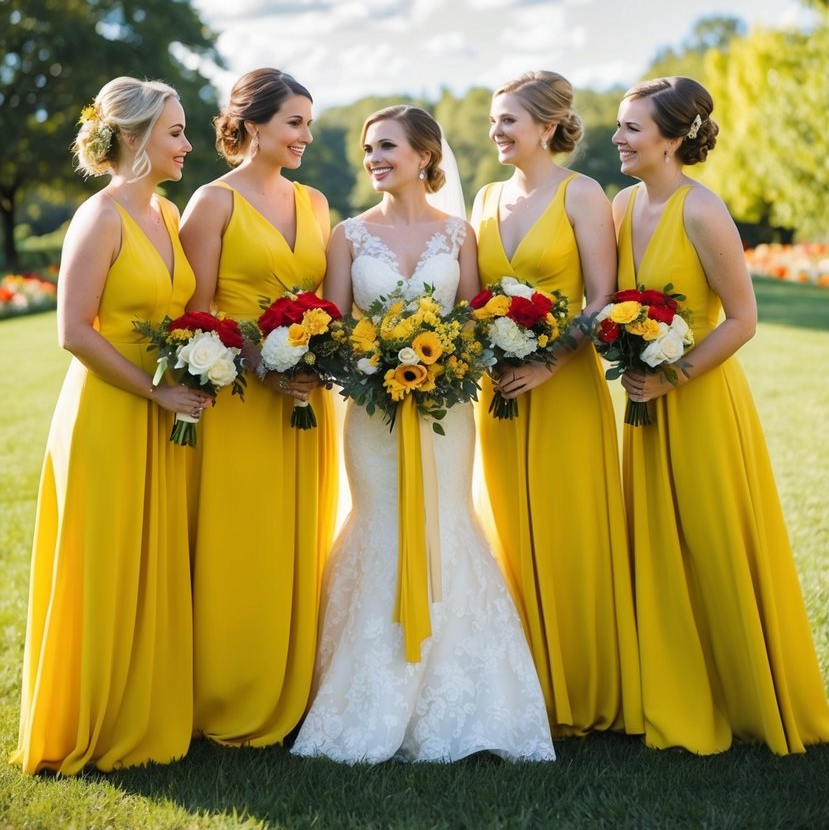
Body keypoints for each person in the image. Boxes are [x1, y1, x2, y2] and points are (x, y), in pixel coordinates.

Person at [292, 105, 554, 763]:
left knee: (444, 520)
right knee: (381, 525)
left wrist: (450, 362)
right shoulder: (346, 236)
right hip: (372, 418)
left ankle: (468, 698)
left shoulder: (458, 234)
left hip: (445, 415)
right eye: (367, 149)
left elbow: (470, 321)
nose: (373, 158)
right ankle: (366, 697)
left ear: (424, 156)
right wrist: (371, 360)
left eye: (385, 147)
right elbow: (333, 328)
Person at [612, 75, 829, 754]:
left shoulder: (701, 211)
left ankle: (746, 698)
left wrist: (671, 375)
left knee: (712, 540)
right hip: (643, 399)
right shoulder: (620, 205)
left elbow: (742, 320)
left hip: (698, 398)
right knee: (654, 544)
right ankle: (673, 689)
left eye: (631, 128)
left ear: (672, 140)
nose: (616, 138)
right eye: (618, 126)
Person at [13, 78, 211, 774]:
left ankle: (145, 706)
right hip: (108, 408)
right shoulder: (98, 218)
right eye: (176, 132)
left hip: (161, 403)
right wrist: (156, 395)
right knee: (105, 560)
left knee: (152, 554)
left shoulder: (165, 210)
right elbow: (73, 331)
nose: (188, 145)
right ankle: (91, 718)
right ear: (133, 137)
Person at [471, 71, 643, 738]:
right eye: (493, 121)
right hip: (498, 390)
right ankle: (518, 685)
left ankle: (582, 686)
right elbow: (470, 295)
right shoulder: (484, 197)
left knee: (571, 532)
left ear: (546, 127)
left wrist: (547, 360)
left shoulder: (582, 194)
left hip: (562, 387)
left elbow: (601, 296)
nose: (495, 132)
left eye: (507, 121)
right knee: (507, 532)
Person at [179, 68, 338, 747]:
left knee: (302, 539)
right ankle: (230, 692)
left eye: (308, 121)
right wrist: (260, 362)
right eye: (294, 122)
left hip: (304, 401)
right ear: (251, 125)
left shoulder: (316, 203)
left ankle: (293, 686)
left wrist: (311, 359)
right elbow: (194, 315)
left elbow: (328, 303)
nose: (306, 134)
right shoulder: (211, 204)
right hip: (242, 403)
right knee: (241, 543)